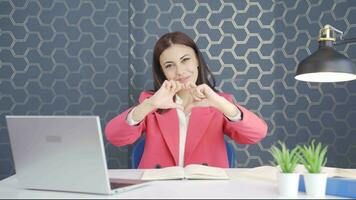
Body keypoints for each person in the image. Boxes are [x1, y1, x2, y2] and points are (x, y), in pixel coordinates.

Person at [105, 31, 268, 169]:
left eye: (185, 60)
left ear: (197, 59)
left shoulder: (220, 102)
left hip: (207, 191)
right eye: (169, 65)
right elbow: (114, 137)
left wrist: (220, 103)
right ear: (163, 72)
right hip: (156, 190)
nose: (180, 71)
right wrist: (151, 104)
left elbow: (257, 134)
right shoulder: (151, 101)